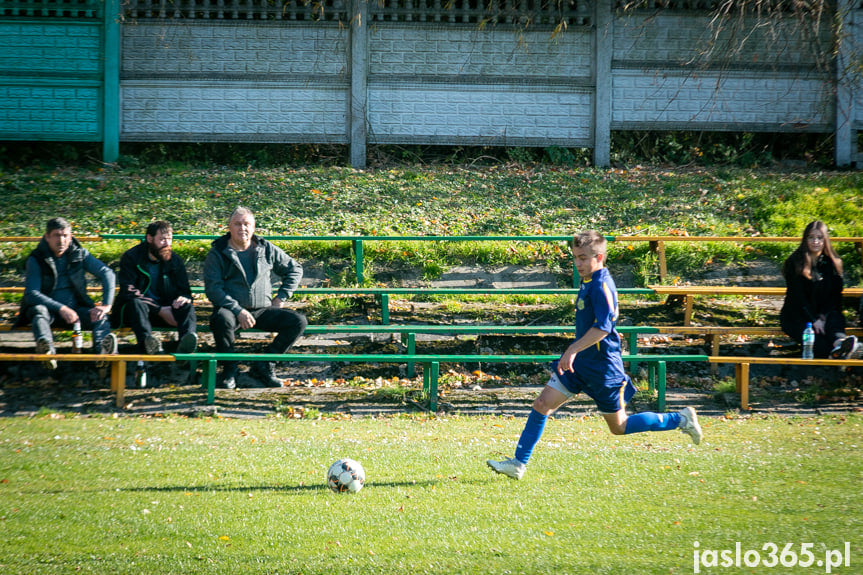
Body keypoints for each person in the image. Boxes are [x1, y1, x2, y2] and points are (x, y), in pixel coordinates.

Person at [487, 230, 702, 480]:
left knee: (619, 427)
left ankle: (681, 419)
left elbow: (603, 327)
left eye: (582, 258)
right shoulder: (589, 279)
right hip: (581, 365)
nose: (577, 263)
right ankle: (517, 463)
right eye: (575, 257)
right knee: (542, 404)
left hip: (603, 369)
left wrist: (571, 350)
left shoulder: (601, 285)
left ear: (599, 257)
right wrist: (575, 353)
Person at [203, 207, 308, 389]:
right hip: (231, 310)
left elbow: (295, 269)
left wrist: (281, 297)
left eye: (246, 224)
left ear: (253, 227)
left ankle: (265, 365)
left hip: (263, 309)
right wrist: (238, 310)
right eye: (237, 224)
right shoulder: (217, 253)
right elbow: (213, 289)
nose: (242, 228)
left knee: (298, 321)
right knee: (220, 320)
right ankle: (229, 370)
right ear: (229, 227)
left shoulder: (265, 248)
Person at [16, 217, 117, 368]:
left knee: (100, 316)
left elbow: (107, 273)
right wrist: (61, 308)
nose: (61, 240)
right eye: (57, 235)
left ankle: (102, 352)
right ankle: (47, 352)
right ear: (47, 237)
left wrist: (106, 305)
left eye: (65, 236)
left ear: (71, 237)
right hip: (49, 312)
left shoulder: (80, 254)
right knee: (39, 311)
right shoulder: (36, 259)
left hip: (76, 310)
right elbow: (32, 294)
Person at [111, 220, 198, 355]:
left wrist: (183, 298)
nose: (167, 244)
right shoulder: (131, 258)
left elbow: (185, 290)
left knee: (187, 306)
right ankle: (148, 347)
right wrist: (158, 310)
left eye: (169, 239)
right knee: (136, 303)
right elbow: (129, 291)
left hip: (167, 312)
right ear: (149, 239)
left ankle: (185, 349)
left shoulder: (175, 260)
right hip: (137, 314)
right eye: (162, 239)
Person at [780, 220, 859, 359]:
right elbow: (797, 297)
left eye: (819, 238)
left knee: (835, 319)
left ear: (825, 240)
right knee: (820, 344)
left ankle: (840, 344)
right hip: (798, 315)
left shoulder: (833, 263)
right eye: (811, 237)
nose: (815, 241)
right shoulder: (795, 262)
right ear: (805, 239)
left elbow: (835, 295)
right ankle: (842, 353)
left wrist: (824, 315)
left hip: (825, 314)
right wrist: (815, 319)